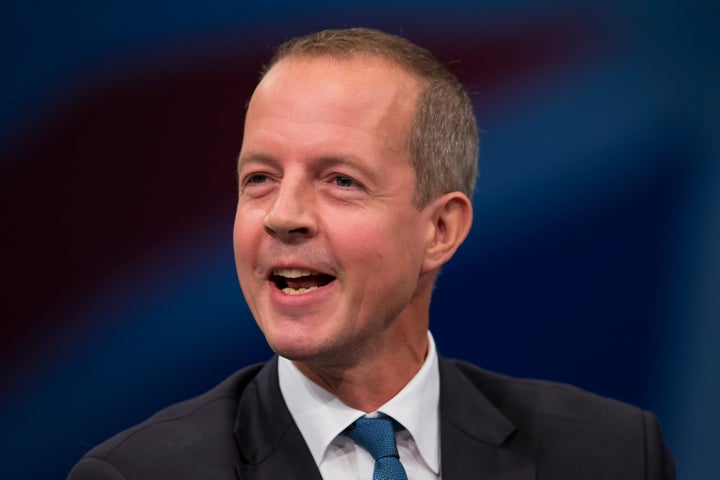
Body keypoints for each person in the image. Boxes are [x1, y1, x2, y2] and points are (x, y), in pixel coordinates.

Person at [67, 27, 675, 480]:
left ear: (440, 229)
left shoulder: (612, 454)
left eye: (341, 180)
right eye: (260, 179)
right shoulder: (138, 475)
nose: (284, 216)